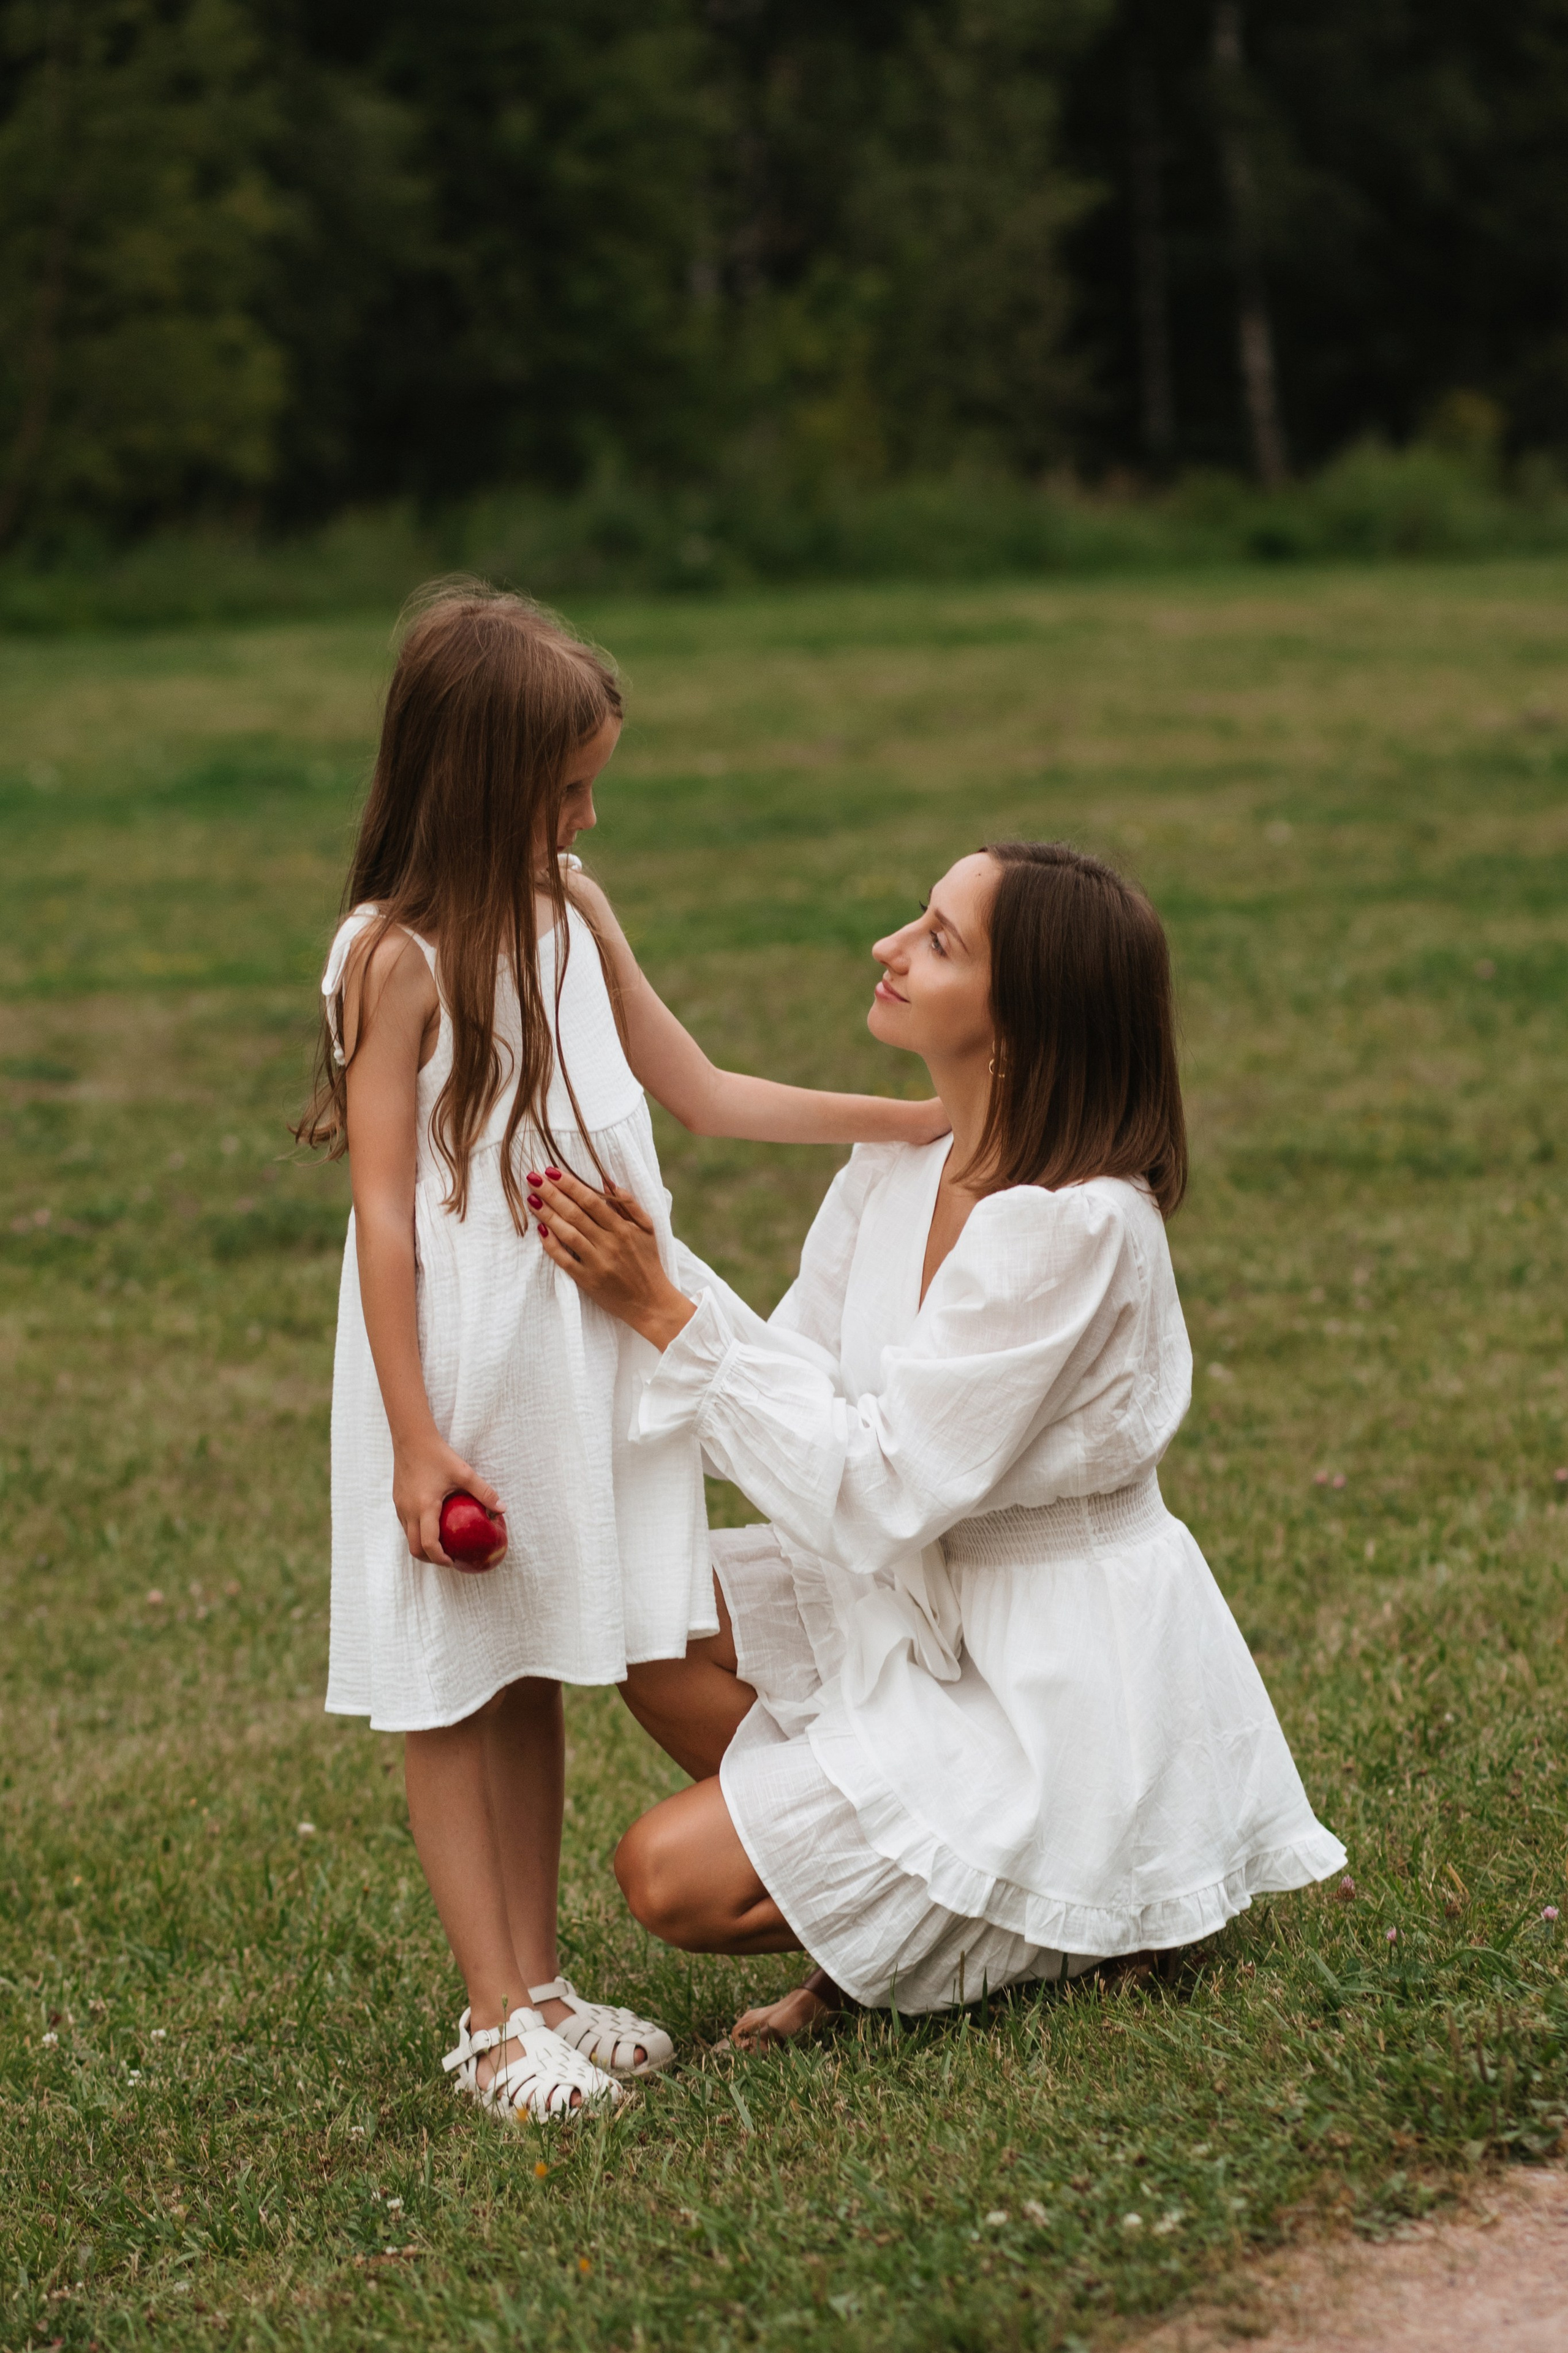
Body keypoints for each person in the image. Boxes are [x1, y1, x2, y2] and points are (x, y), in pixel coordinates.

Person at [294, 581, 947, 2118]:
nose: (585, 817)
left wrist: (925, 1117)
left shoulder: (572, 909)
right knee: (457, 1675)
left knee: (534, 1657)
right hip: (456, 1363)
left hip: (578, 1354)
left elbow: (702, 1090)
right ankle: (484, 2020)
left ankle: (538, 1986)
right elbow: (384, 1220)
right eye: (563, 789)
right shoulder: (389, 958)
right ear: (474, 784)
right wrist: (412, 1436)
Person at [530, 840, 1347, 2047]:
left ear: (1019, 1026)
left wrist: (661, 1308)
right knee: (636, 1597)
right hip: (915, 1594)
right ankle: (888, 1894)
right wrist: (627, 1285)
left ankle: (1074, 1907)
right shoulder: (900, 1160)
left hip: (1051, 1675)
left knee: (666, 1874)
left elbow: (873, 1488)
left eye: (938, 940)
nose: (889, 949)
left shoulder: (1075, 1225)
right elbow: (799, 1384)